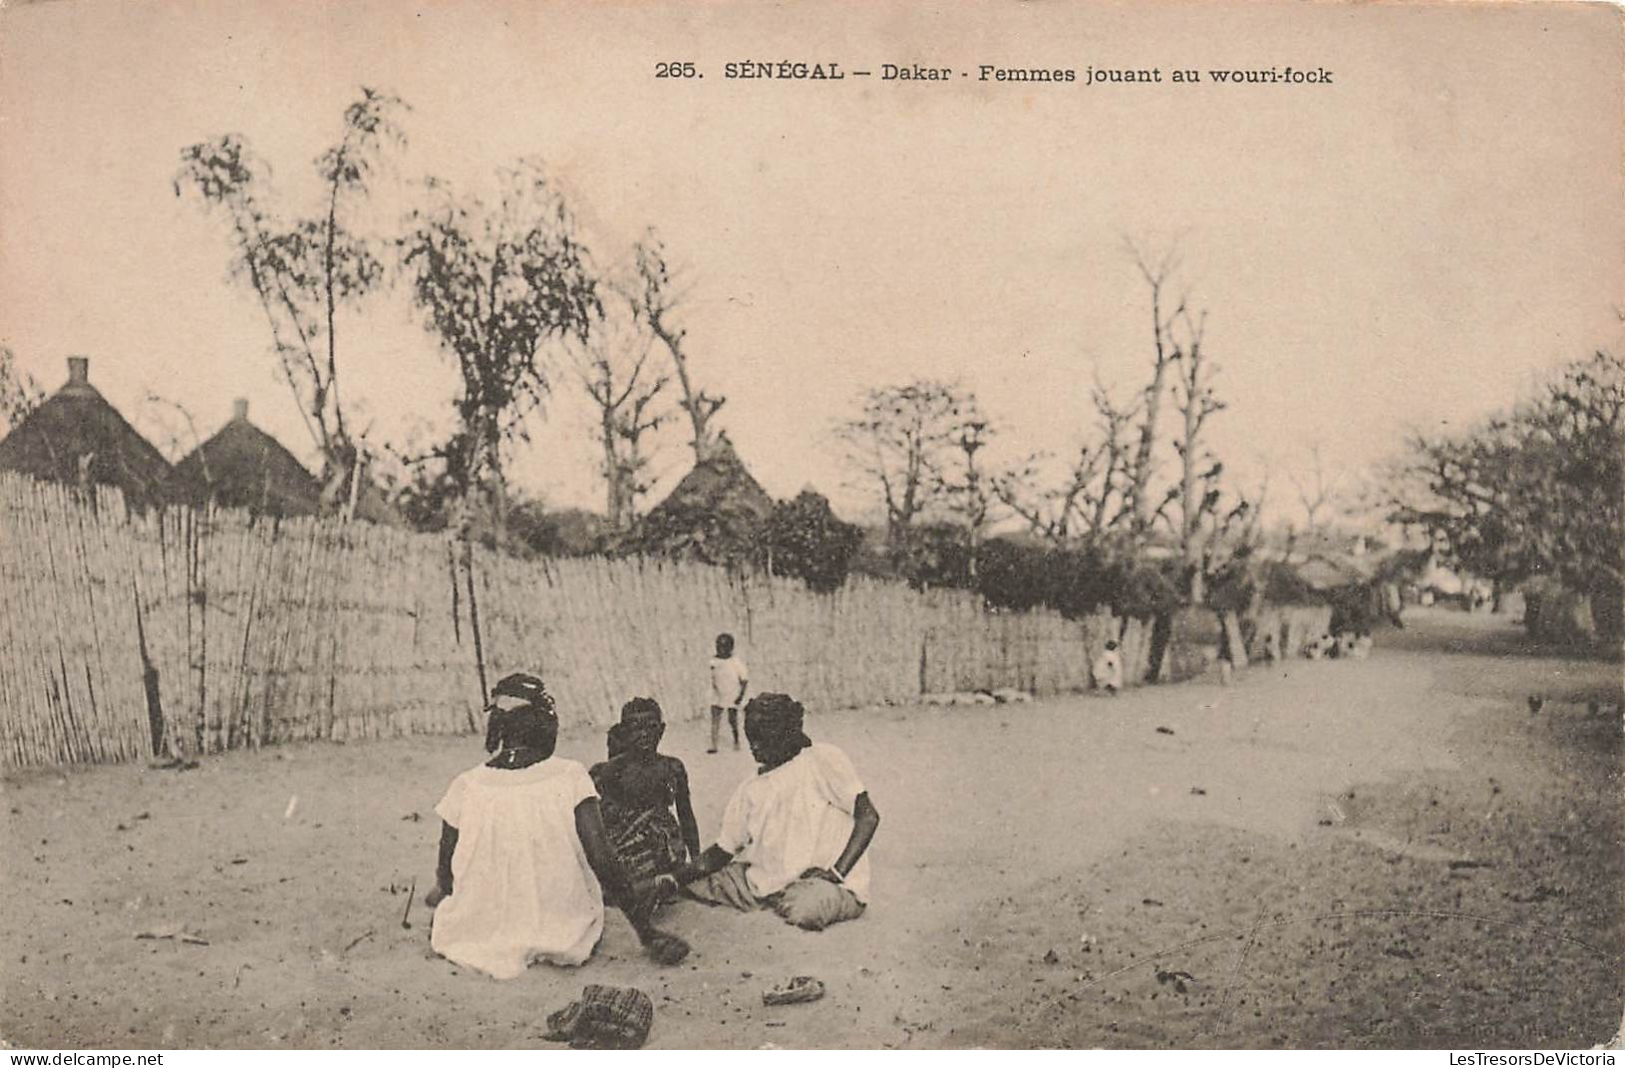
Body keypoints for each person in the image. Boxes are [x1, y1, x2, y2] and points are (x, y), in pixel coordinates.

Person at [425, 673, 687, 979]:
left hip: (476, 931)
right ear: (542, 724)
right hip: (560, 929)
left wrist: (447, 894)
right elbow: (602, 859)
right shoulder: (569, 776)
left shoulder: (466, 784)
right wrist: (646, 932)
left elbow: (446, 870)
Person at [681, 693, 879, 931]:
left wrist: (837, 872)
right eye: (751, 737)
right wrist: (675, 878)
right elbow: (722, 851)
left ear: (789, 734)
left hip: (826, 881)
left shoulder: (822, 759)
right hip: (767, 878)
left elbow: (868, 816)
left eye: (764, 739)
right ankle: (771, 893)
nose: (755, 746)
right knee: (698, 881)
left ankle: (784, 895)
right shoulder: (750, 789)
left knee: (807, 908)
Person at [589, 698, 701, 898]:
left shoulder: (672, 767)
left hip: (665, 847)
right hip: (627, 848)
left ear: (662, 729)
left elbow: (686, 816)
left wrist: (696, 861)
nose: (644, 734)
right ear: (624, 732)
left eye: (651, 727)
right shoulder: (608, 771)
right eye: (635, 728)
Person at [708, 633, 750, 754]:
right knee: (715, 718)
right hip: (717, 694)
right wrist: (712, 689)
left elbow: (744, 680)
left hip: (732, 694)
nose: (720, 650)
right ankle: (714, 744)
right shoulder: (713, 660)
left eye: (723, 647)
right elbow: (712, 675)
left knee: (732, 719)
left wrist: (740, 696)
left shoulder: (736, 662)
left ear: (730, 648)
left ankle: (736, 739)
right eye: (718, 646)